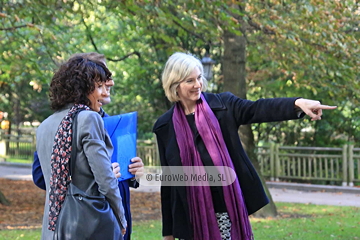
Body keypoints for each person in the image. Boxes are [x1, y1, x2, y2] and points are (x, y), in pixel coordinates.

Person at [152, 52, 337, 240]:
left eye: (199, 77)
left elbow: (258, 109)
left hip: (227, 212)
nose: (198, 84)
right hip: (191, 221)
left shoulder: (223, 105)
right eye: (190, 81)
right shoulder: (165, 127)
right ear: (175, 85)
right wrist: (168, 233)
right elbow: (169, 183)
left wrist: (297, 104)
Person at [33, 52, 144, 240]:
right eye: (99, 85)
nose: (105, 91)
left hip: (55, 227)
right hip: (91, 224)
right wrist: (121, 218)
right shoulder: (90, 118)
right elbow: (106, 182)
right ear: (83, 86)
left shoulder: (45, 125)